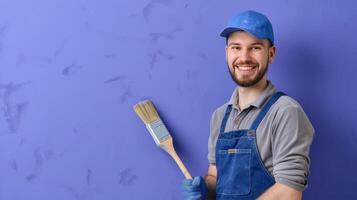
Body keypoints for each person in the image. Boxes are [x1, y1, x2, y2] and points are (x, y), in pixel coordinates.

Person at [181, 10, 314, 200]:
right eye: (236, 47)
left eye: (255, 48)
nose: (244, 57)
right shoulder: (220, 116)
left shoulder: (285, 112)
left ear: (271, 54)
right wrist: (205, 187)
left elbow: (289, 192)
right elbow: (215, 176)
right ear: (227, 53)